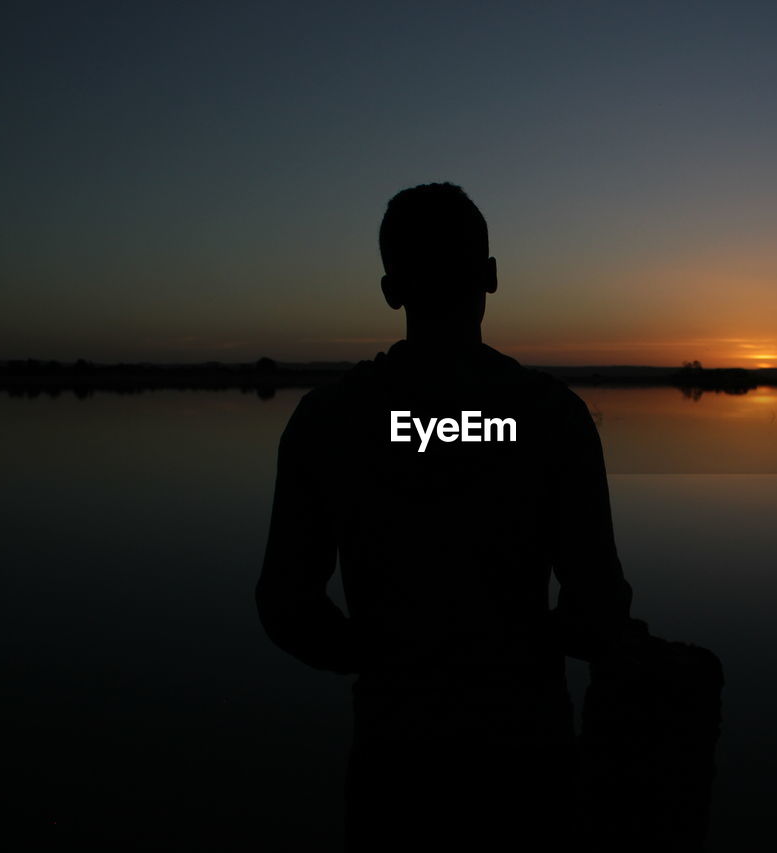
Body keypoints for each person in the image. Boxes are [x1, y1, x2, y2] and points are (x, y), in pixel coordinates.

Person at [256, 182, 633, 850]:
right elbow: (599, 608)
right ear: (490, 277)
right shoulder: (552, 417)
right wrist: (526, 640)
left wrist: (382, 653)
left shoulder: (329, 420)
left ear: (390, 289)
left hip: (394, 762)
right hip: (530, 763)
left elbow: (286, 604)